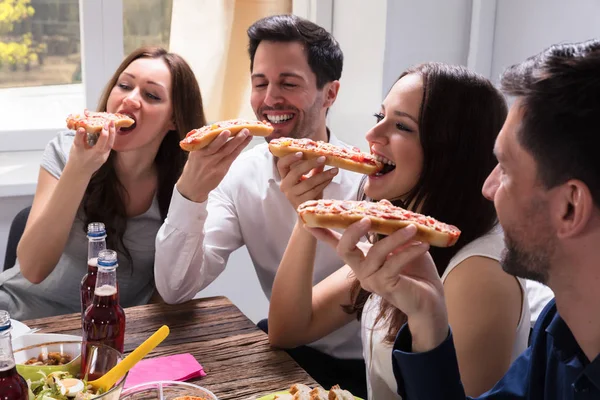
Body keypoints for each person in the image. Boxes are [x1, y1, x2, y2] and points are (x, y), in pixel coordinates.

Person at [327, 39, 600, 399]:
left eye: (505, 168)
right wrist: (428, 321)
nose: (488, 188)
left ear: (570, 207)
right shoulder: (559, 326)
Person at [270, 62, 531, 398]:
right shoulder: (399, 236)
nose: (372, 136)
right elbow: (287, 329)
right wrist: (309, 211)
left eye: (402, 127)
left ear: (451, 150)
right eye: (380, 118)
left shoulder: (478, 271)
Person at [154, 14, 367, 396]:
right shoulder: (239, 175)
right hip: (281, 349)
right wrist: (190, 191)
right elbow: (175, 288)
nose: (269, 100)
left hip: (363, 365)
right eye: (260, 83)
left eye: (288, 83)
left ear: (330, 93)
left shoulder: (367, 183)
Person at [0, 46, 205, 320]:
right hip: (20, 316)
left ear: (174, 119)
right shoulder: (65, 151)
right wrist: (78, 170)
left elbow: (169, 293)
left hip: (107, 333)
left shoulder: (187, 183)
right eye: (124, 85)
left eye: (152, 95)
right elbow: (33, 269)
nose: (130, 100)